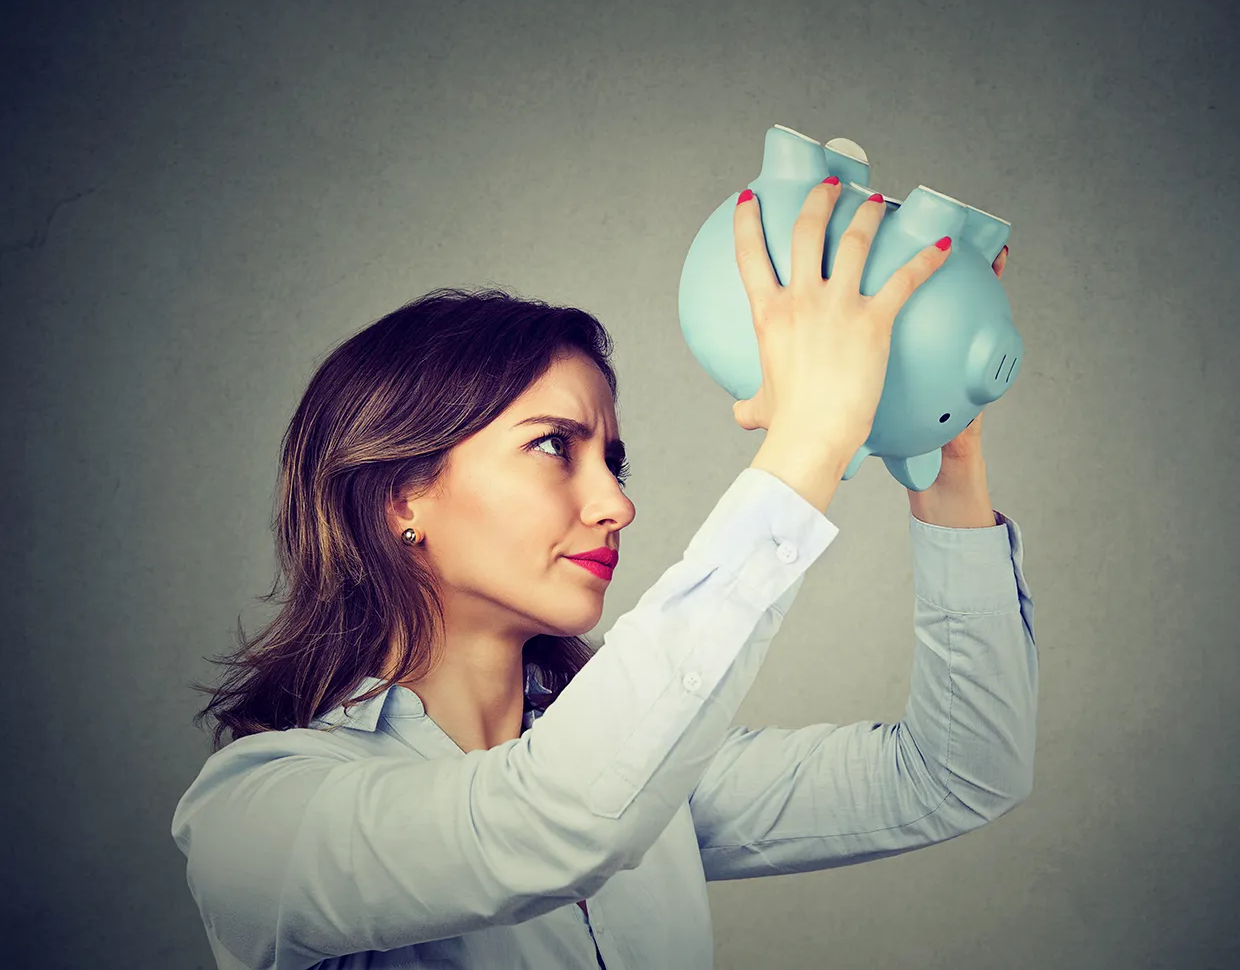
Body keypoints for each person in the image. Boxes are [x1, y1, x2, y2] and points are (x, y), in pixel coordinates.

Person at [171, 177, 1038, 970]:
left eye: (613, 464)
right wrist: (809, 439)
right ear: (404, 495)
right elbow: (555, 821)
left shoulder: (646, 767)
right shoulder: (257, 824)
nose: (616, 505)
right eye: (555, 446)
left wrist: (944, 450)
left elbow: (957, 773)